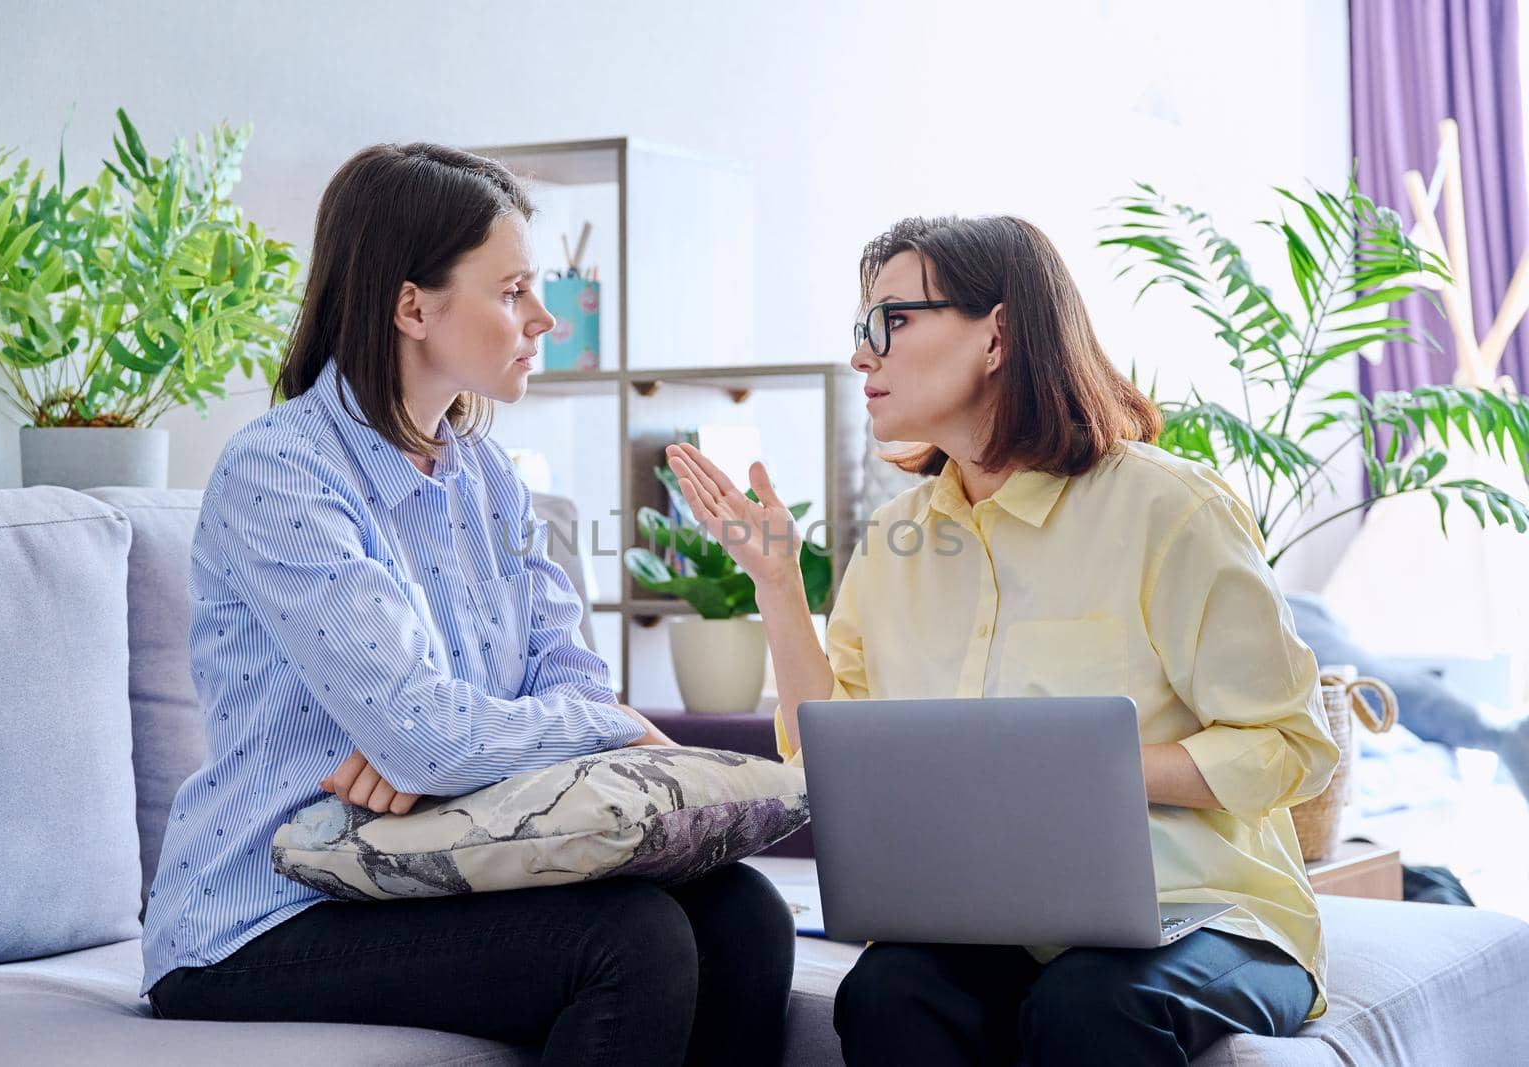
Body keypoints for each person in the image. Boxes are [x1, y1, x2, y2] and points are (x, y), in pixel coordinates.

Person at [140, 142, 794, 1067]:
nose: (543, 318)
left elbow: (554, 683)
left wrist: (457, 746)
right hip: (265, 914)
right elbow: (436, 736)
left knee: (747, 916)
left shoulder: (489, 479)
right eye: (515, 290)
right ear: (413, 305)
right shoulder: (280, 473)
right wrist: (566, 732)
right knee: (631, 941)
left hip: (431, 870)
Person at [665, 214, 1340, 1065]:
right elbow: (831, 756)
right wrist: (776, 586)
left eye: (892, 320)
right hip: (992, 920)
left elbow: (1292, 743)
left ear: (997, 333)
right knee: (887, 991)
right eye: (860, 328)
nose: (862, 355)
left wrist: (1081, 771)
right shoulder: (895, 539)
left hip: (1207, 911)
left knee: (1093, 1005)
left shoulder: (1170, 510)